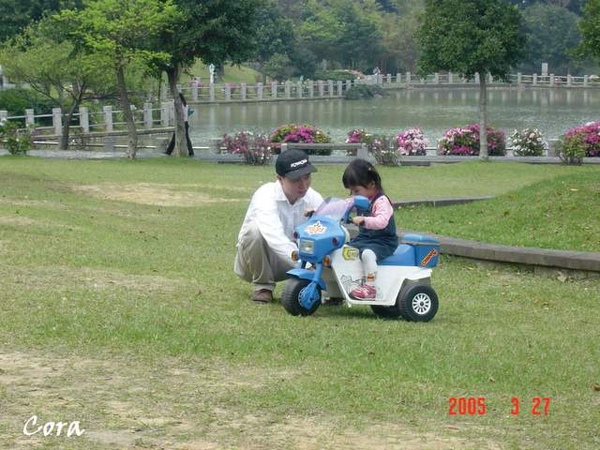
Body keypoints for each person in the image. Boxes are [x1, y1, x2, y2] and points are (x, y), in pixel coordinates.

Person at [234, 149, 323, 303]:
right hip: (253, 263)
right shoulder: (265, 195)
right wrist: (308, 266)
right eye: (296, 180)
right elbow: (274, 237)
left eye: (307, 177)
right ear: (279, 179)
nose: (303, 185)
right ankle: (263, 287)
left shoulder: (313, 197)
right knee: (255, 230)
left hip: (292, 263)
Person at [342, 158, 398, 300]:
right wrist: (319, 210)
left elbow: (382, 222)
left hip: (383, 241)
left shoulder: (382, 201)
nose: (353, 195)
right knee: (343, 251)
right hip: (365, 239)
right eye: (351, 192)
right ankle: (341, 286)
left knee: (367, 254)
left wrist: (364, 220)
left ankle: (370, 287)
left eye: (356, 191)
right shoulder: (360, 199)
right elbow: (341, 205)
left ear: (372, 184)